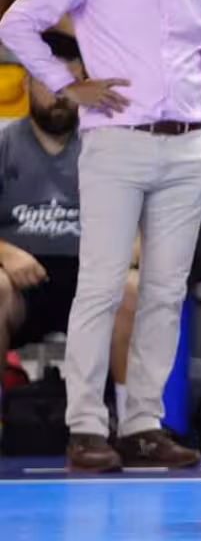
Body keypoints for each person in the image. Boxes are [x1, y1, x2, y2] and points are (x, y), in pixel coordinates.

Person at [0, 0, 201, 472]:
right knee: (101, 286)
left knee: (163, 291)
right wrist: (64, 81)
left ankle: (142, 425)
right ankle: (85, 427)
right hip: (115, 142)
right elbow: (17, 23)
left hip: (188, 147)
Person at [0, 40, 138, 424]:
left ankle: (132, 425)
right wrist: (6, 253)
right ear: (28, 82)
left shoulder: (106, 145)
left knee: (131, 290)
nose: (60, 96)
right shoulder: (5, 144)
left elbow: (140, 216)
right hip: (21, 283)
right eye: (49, 82)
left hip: (92, 277)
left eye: (70, 85)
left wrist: (134, 243)